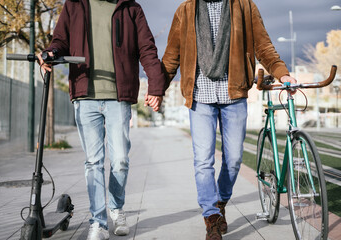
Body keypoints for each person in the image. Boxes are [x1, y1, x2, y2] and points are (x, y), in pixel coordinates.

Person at [160, 0, 297, 239]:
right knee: (203, 161)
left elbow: (263, 46)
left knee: (233, 159)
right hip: (200, 96)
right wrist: (156, 89)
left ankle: (221, 202)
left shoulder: (244, 6)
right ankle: (211, 216)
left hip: (233, 93)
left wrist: (282, 72)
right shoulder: (185, 10)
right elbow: (172, 56)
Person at [37, 0, 165, 239]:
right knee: (93, 162)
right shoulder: (74, 5)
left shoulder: (131, 8)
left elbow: (147, 48)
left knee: (120, 160)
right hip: (85, 95)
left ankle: (116, 209)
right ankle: (99, 222)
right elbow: (61, 40)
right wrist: (51, 53)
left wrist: (156, 87)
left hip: (119, 95)